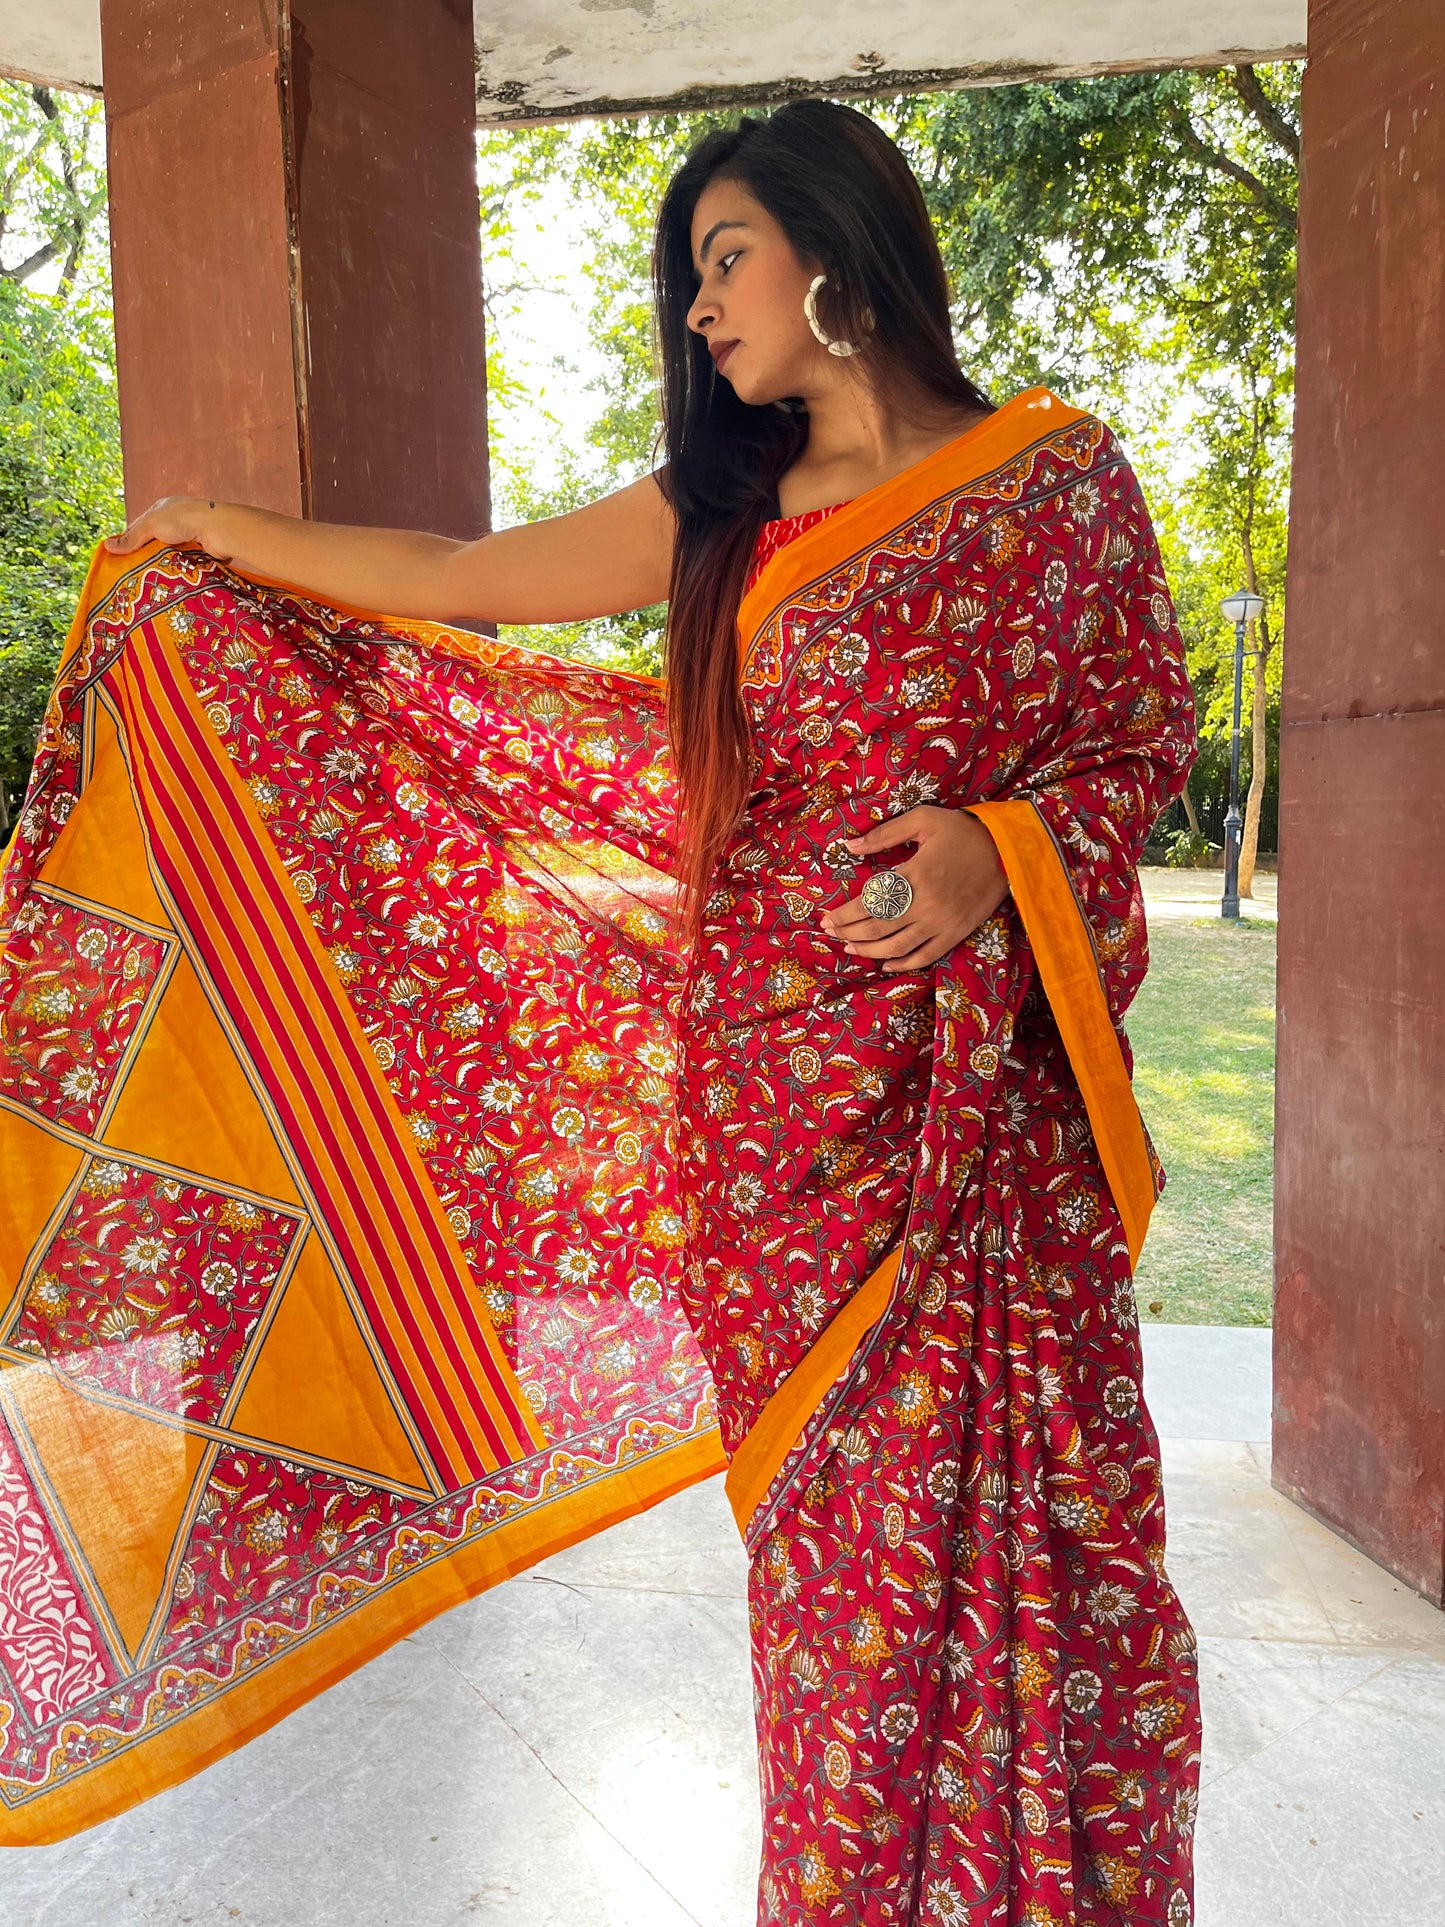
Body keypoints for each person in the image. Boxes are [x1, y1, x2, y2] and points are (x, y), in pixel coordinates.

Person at [8, 100, 1199, 1920]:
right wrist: (220, 531)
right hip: (781, 1125)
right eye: (688, 275)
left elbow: (1133, 738)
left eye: (726, 257)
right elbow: (464, 585)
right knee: (840, 1587)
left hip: (988, 1126)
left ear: (837, 246)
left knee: (1048, 1538)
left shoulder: (1057, 483)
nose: (701, 307)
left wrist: (995, 847)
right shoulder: (723, 512)